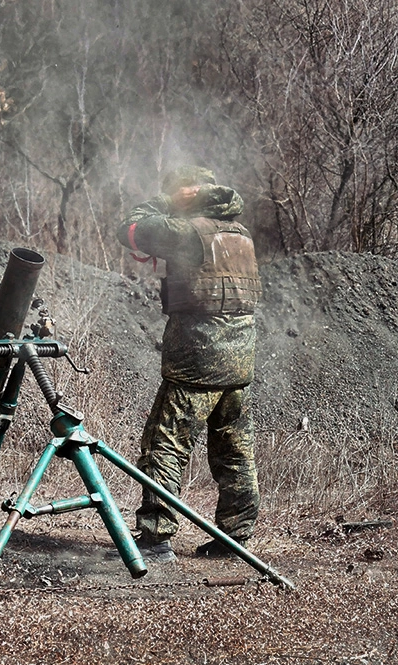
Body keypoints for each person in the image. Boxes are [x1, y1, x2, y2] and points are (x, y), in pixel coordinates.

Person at [117, 166, 262, 562]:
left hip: (197, 361)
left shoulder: (186, 232)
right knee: (235, 450)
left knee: (164, 444)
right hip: (239, 362)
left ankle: (155, 538)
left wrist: (166, 202)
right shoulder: (241, 233)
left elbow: (130, 228)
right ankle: (235, 538)